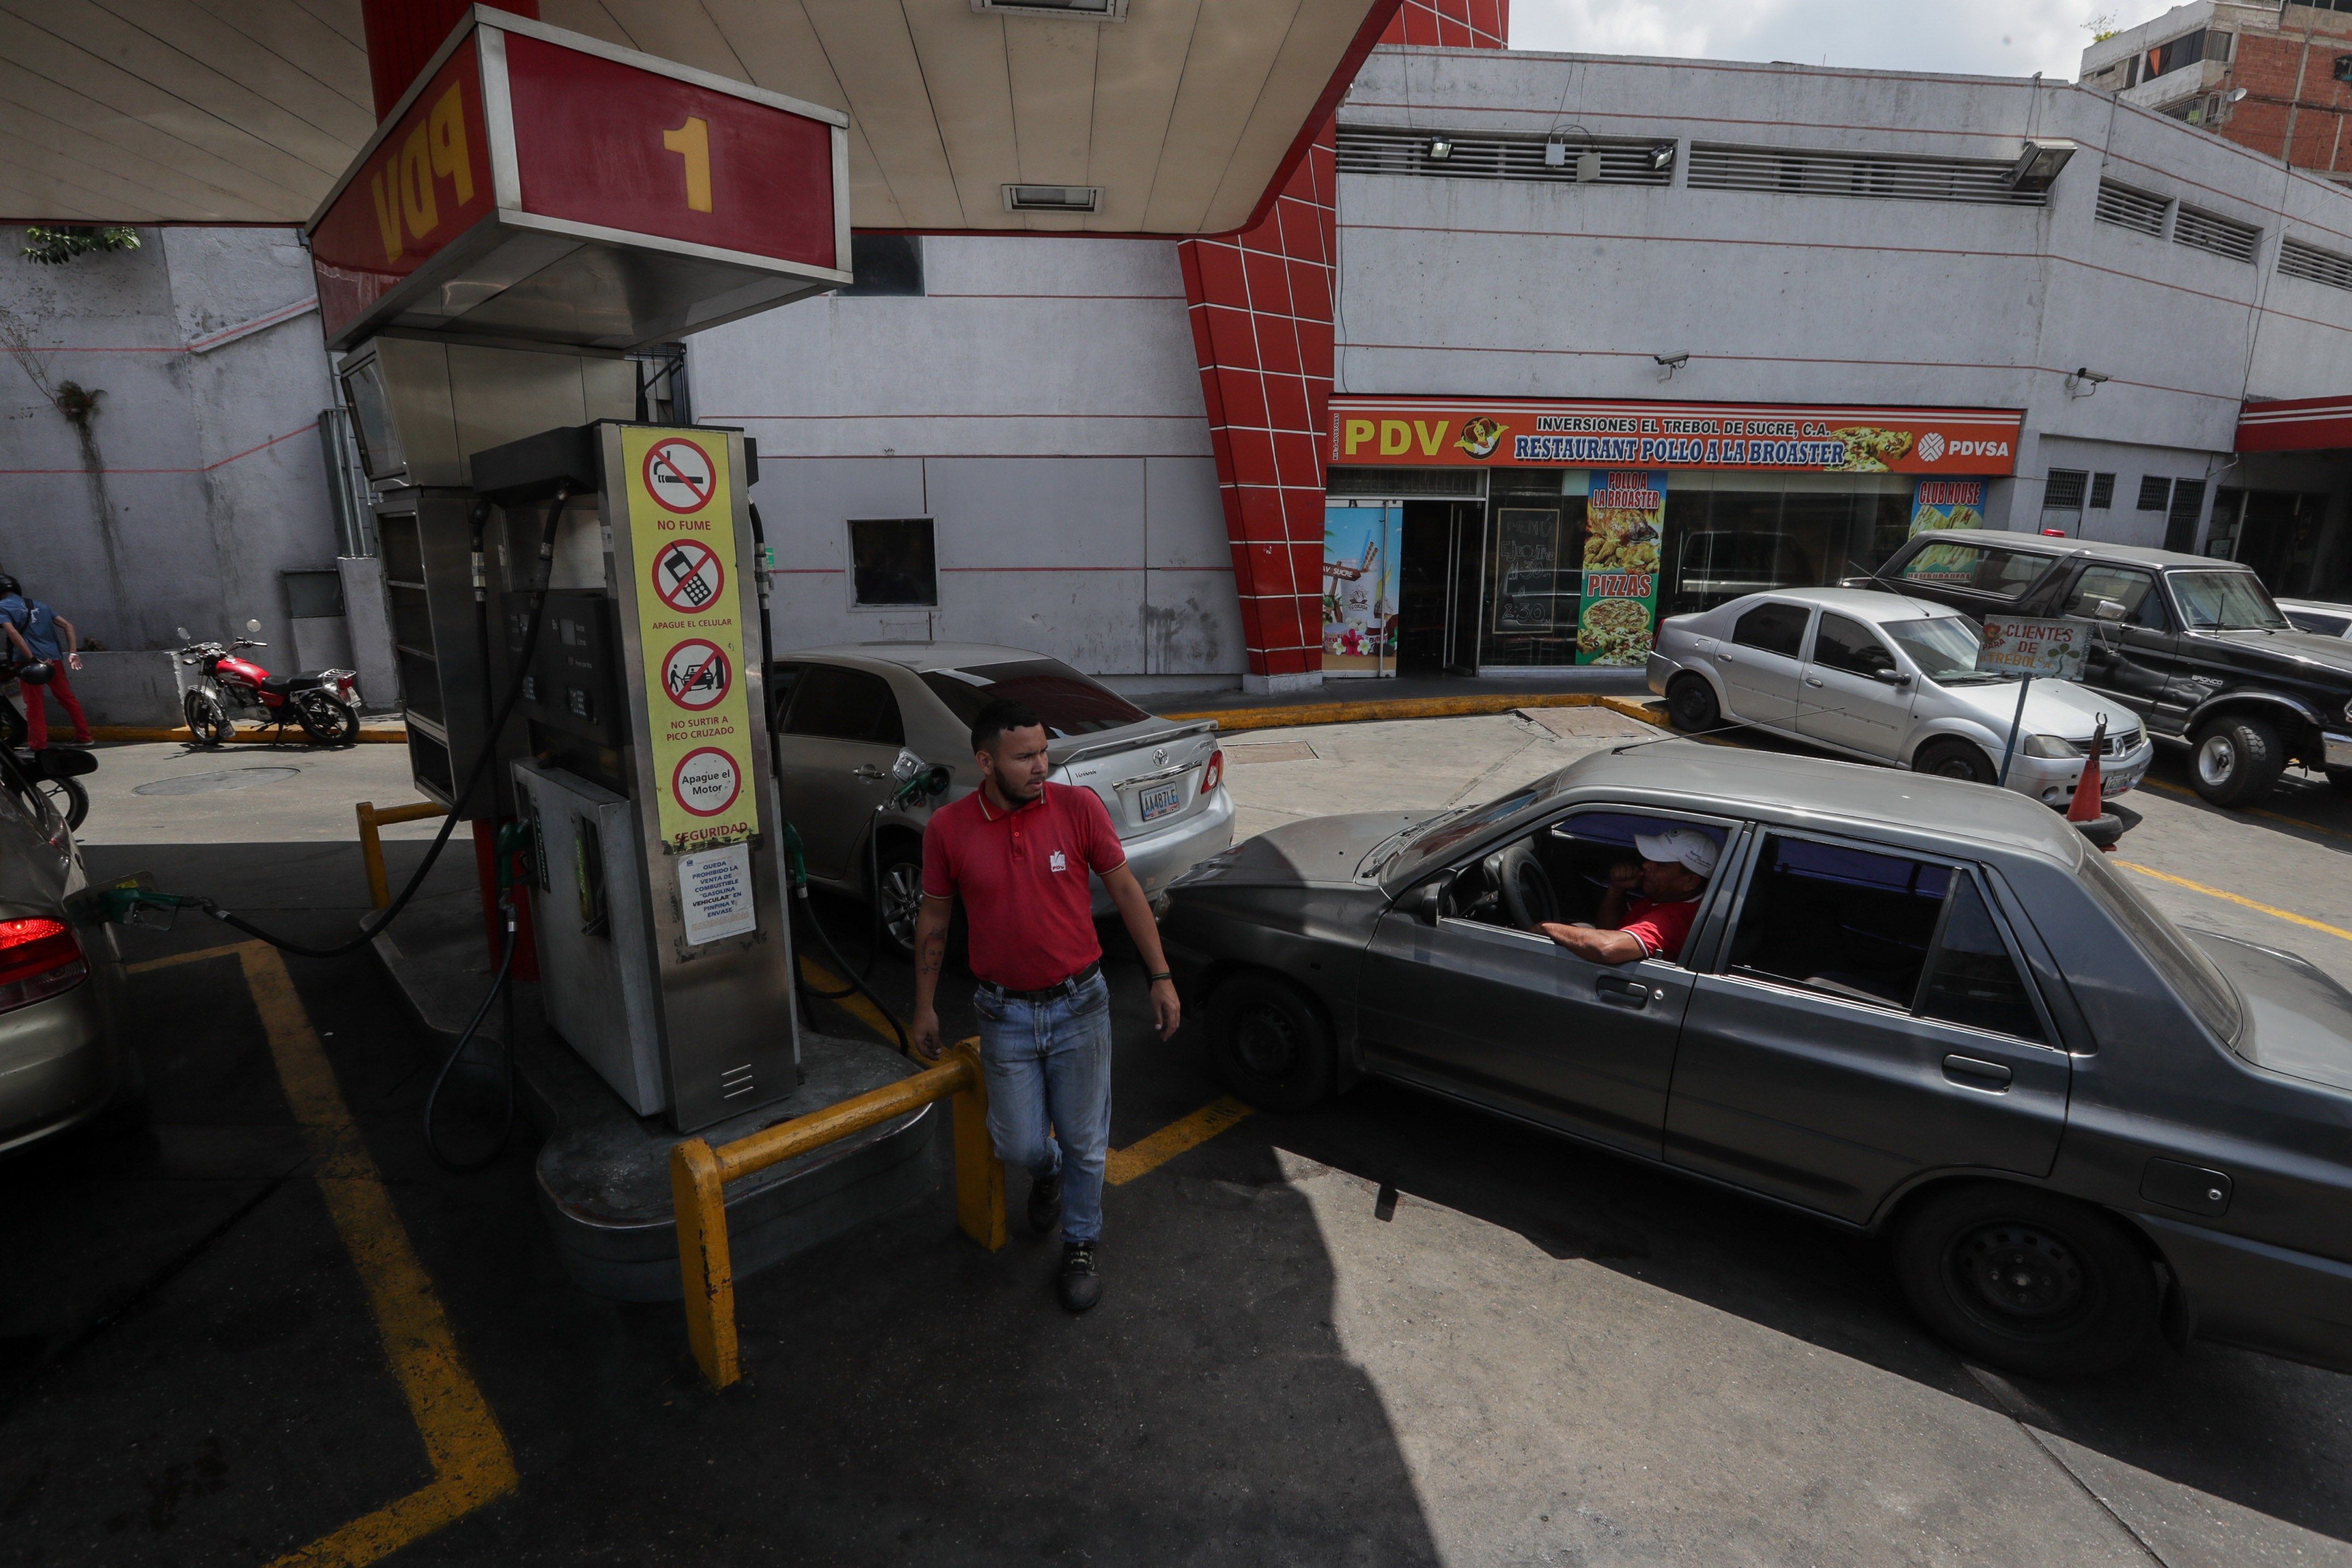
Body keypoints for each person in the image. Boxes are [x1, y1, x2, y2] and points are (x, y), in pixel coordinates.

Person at [909, 696, 1182, 1314]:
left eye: (1044, 752)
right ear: (985, 761)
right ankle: (1047, 1170)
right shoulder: (949, 829)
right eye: (1025, 756)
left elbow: (1125, 889)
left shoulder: (1078, 807)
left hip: (1079, 1003)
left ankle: (1081, 1241)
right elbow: (934, 916)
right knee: (1018, 1145)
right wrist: (924, 1004)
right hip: (1002, 1013)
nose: (1042, 766)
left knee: (1089, 1141)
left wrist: (1160, 975)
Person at [1538, 824, 1718, 965]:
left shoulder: (1670, 920)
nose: (1647, 864)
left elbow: (1607, 948)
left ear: (1690, 882)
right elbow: (1608, 929)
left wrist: (1545, 928)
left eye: (1662, 864)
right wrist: (1617, 889)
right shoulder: (1666, 898)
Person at [0, 578, 90, 749]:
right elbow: (68, 626)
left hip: (29, 663)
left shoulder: (2, 607)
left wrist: (32, 658)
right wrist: (73, 653)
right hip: (53, 659)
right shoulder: (41, 605)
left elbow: (12, 632)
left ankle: (38, 744)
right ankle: (85, 736)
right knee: (67, 698)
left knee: (34, 704)